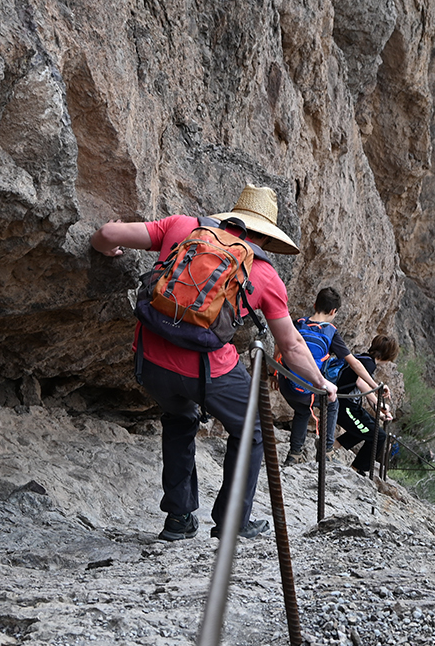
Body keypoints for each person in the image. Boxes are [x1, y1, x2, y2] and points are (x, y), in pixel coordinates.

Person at [90, 185, 336, 542]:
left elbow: (108, 234)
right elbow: (293, 346)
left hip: (151, 361)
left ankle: (178, 519)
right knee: (252, 429)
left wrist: (107, 246)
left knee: (179, 418)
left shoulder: (181, 227)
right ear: (264, 236)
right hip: (208, 370)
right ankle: (233, 520)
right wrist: (322, 383)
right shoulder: (263, 273)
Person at [277, 288, 386, 465]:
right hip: (310, 389)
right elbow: (355, 363)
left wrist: (275, 375)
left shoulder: (297, 323)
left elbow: (280, 348)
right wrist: (376, 386)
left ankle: (294, 454)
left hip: (288, 385)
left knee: (302, 410)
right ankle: (326, 450)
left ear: (314, 305)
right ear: (334, 311)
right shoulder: (331, 332)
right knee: (332, 403)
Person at [335, 334, 399, 476]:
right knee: (378, 435)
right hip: (344, 406)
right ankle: (356, 470)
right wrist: (378, 400)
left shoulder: (363, 358)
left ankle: (332, 447)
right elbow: (361, 383)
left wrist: (381, 413)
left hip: (348, 405)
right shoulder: (368, 364)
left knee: (370, 428)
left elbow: (366, 390)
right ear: (389, 355)